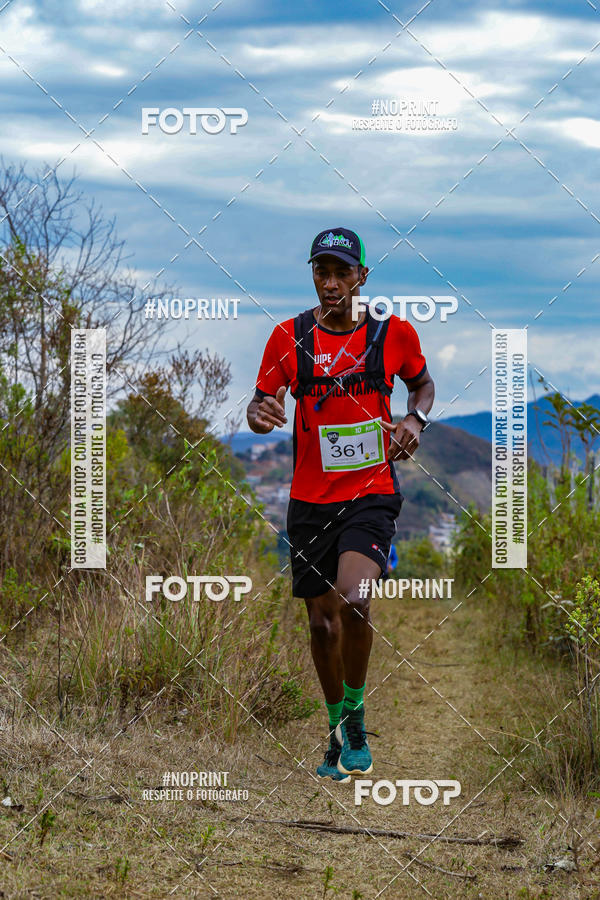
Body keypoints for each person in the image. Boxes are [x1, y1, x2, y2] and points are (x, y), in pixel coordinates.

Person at [246, 227, 434, 781]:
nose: (330, 283)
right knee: (321, 626)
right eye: (320, 272)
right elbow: (263, 401)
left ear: (362, 277)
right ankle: (334, 723)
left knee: (354, 600)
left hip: (372, 492)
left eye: (341, 273)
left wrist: (412, 420)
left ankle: (355, 717)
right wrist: (260, 414)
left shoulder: (392, 334)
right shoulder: (288, 336)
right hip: (308, 501)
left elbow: (422, 386)